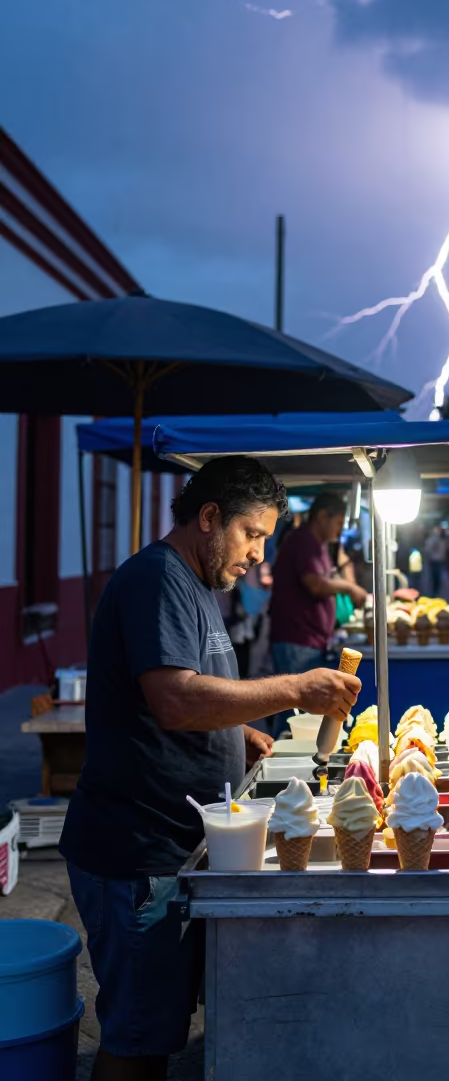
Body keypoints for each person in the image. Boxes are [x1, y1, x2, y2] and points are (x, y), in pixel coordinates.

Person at [59, 457, 361, 1081]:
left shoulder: (196, 585)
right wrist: (296, 690)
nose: (257, 553)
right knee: (137, 1040)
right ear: (208, 518)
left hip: (179, 845)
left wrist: (239, 730)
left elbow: (194, 692)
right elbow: (174, 699)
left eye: (266, 540)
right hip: (136, 852)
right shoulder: (155, 580)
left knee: (158, 1026)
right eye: (252, 534)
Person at [269, 492, 368, 734]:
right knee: (294, 716)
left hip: (310, 640)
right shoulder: (303, 540)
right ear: (322, 517)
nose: (340, 529)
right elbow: (315, 583)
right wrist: (350, 587)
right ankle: (281, 765)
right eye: (337, 522)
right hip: (297, 640)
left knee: (302, 715)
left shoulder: (320, 545)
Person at [425, 527, 447, 597]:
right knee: (434, 576)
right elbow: (428, 550)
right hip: (433, 560)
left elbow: (443, 550)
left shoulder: (441, 541)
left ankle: (435, 591)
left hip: (437, 560)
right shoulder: (431, 540)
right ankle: (434, 591)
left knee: (437, 576)